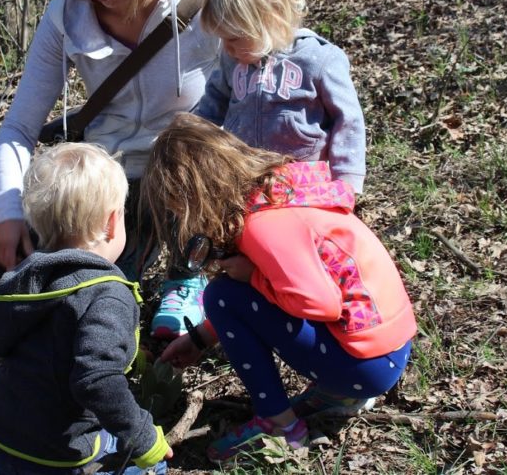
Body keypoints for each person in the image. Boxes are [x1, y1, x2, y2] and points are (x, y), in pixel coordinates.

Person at [0, 0, 220, 338]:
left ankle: (187, 274)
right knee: (1, 258)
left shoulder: (203, 6)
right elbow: (18, 129)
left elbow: (249, 103)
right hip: (109, 177)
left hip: (185, 177)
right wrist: (7, 212)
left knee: (192, 153)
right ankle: (110, 271)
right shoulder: (67, 11)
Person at [142, 114, 415, 462]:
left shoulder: (264, 227)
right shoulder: (281, 194)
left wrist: (251, 276)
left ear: (195, 194)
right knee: (234, 295)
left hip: (366, 366)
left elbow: (319, 305)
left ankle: (279, 425)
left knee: (222, 296)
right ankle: (337, 395)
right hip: (388, 349)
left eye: (179, 209)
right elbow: (283, 297)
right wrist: (201, 338)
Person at [0, 143, 171, 475]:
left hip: (2, 435)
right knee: (150, 469)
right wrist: (142, 437)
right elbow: (97, 380)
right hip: (59, 456)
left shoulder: (23, 278)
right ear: (111, 222)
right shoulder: (107, 295)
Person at [194, 0, 367, 194]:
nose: (226, 48)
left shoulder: (317, 58)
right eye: (221, 39)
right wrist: (190, 136)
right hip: (245, 175)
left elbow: (348, 120)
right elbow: (211, 107)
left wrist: (346, 179)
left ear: (269, 21)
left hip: (306, 179)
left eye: (233, 38)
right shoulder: (232, 62)